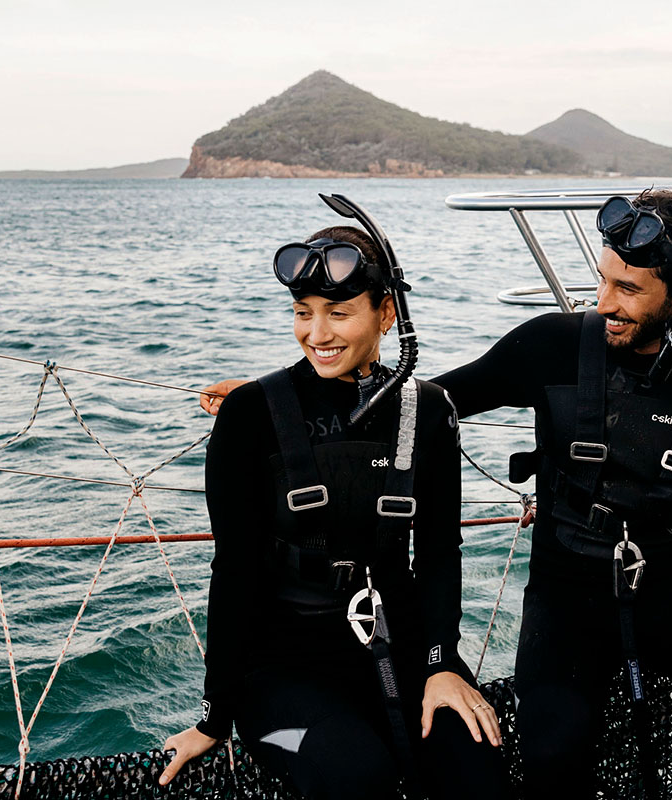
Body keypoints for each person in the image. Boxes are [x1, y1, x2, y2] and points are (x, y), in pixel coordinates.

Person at [200, 186, 672, 800]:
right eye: (604, 279)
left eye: (629, 290)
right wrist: (278, 400)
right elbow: (428, 403)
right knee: (551, 756)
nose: (604, 303)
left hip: (668, 602)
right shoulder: (551, 346)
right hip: (563, 611)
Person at [164, 193, 511, 800]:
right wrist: (215, 716)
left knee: (476, 763)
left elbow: (437, 554)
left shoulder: (426, 413)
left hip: (396, 643)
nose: (316, 334)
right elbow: (235, 570)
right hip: (281, 664)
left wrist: (440, 665)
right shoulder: (250, 414)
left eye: (339, 313)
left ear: (386, 314)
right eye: (303, 312)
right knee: (356, 774)